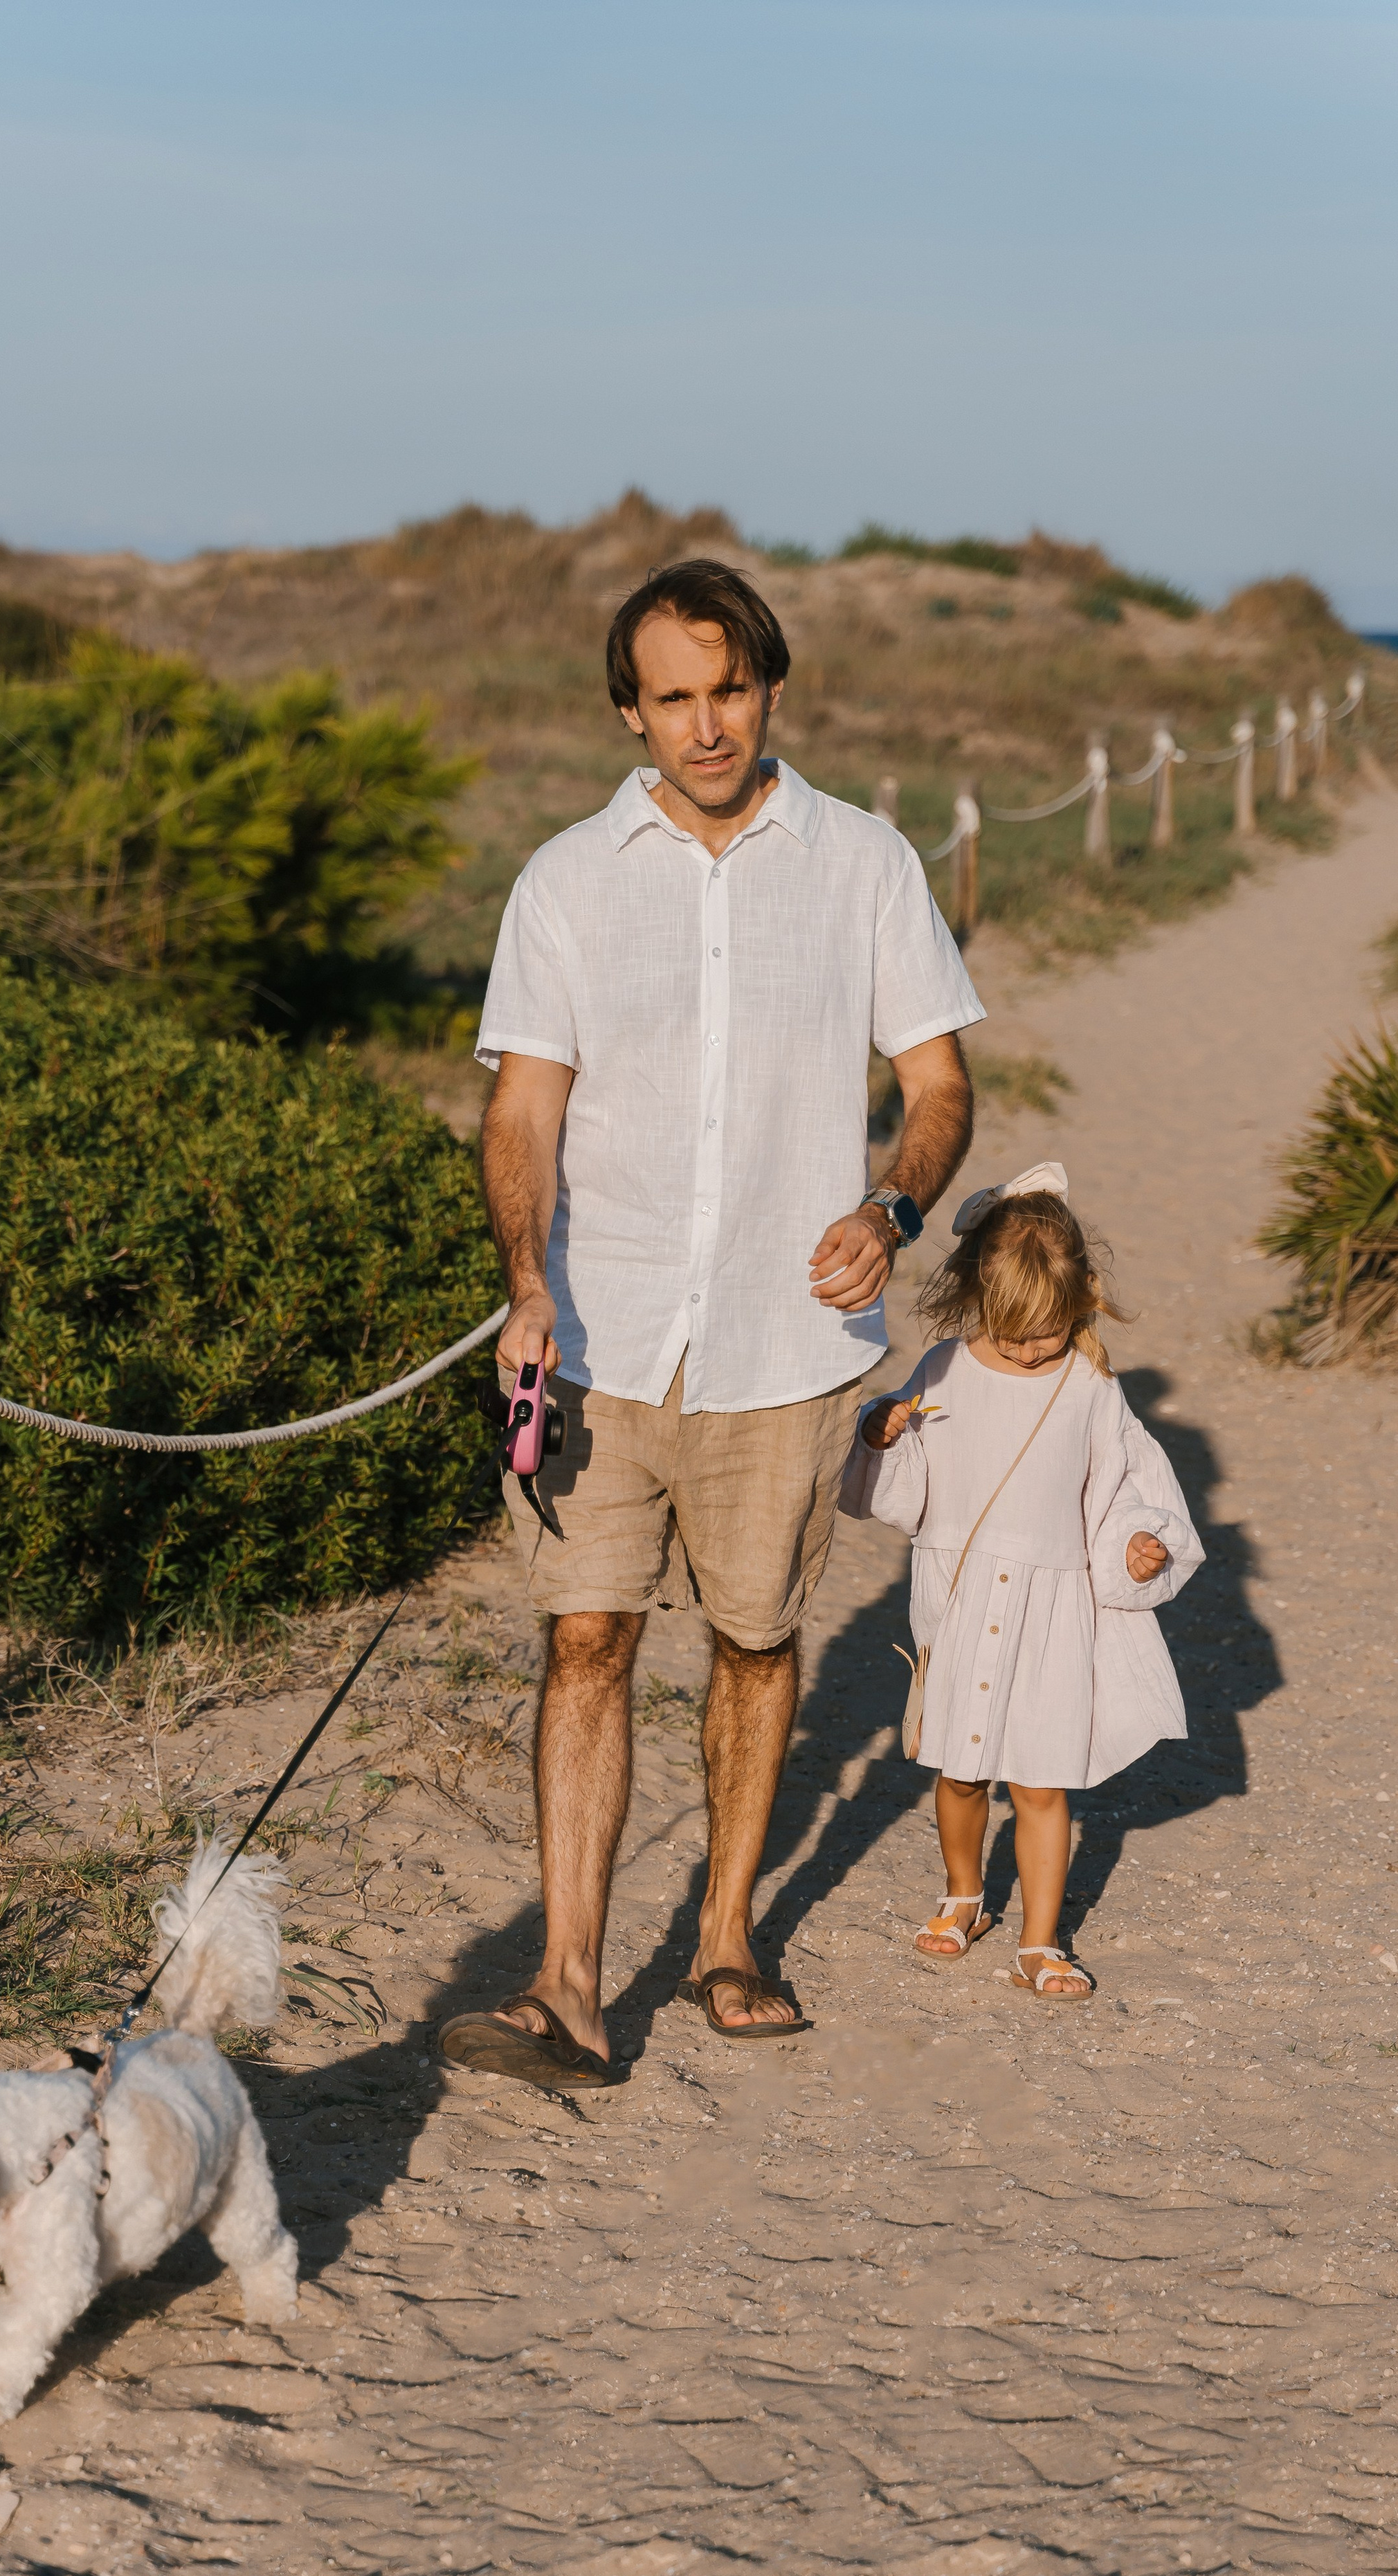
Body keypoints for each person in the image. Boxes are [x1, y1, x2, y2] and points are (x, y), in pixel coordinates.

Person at [437, 557, 984, 2091]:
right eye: (670, 697)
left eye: (726, 688)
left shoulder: (864, 864)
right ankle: (563, 1983)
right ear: (629, 710)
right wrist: (527, 1285)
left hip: (781, 1345)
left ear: (769, 688)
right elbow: (521, 1106)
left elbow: (938, 1085)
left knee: (754, 1641)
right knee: (587, 1640)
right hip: (599, 1341)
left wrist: (893, 1209)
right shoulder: (563, 879)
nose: (703, 724)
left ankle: (728, 1936)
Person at [840, 1163, 1203, 1999]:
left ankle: (1040, 1941)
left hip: (1054, 1610)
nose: (1033, 1348)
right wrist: (881, 1432)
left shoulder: (1090, 1391)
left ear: (1079, 1300)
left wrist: (1138, 1547)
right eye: (1014, 1334)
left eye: (1048, 1330)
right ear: (978, 1301)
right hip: (960, 1600)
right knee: (962, 1770)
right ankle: (963, 1894)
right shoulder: (941, 1370)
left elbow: (1118, 1495)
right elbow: (898, 1490)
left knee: (1043, 1781)